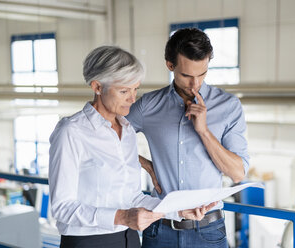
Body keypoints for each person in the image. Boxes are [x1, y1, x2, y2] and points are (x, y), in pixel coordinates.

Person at [48, 45, 216, 248]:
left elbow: (132, 197)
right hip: (87, 242)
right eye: (124, 91)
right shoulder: (71, 131)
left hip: (129, 239)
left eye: (135, 89)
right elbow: (61, 207)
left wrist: (179, 211)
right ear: (97, 87)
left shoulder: (127, 130)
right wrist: (121, 217)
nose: (132, 98)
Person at [126, 28, 250, 248]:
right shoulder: (148, 106)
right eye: (187, 76)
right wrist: (145, 165)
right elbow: (106, 135)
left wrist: (203, 131)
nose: (195, 84)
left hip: (208, 231)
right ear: (170, 65)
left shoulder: (229, 107)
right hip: (160, 228)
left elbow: (237, 173)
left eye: (202, 74)